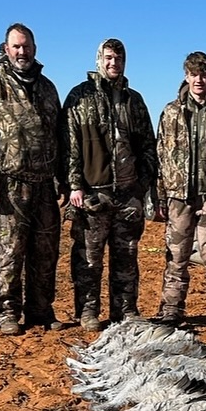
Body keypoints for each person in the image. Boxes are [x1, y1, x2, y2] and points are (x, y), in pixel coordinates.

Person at [0, 23, 64, 335]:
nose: (22, 52)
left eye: (26, 46)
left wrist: (63, 178)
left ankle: (40, 310)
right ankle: (7, 311)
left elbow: (60, 137)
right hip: (8, 183)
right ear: (6, 49)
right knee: (8, 251)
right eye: (16, 46)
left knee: (45, 251)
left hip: (44, 184)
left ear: (35, 48)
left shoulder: (48, 88)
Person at [61, 38, 157, 331]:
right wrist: (75, 185)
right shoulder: (80, 96)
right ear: (98, 60)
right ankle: (88, 311)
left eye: (119, 58)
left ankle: (125, 310)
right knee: (88, 259)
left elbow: (148, 146)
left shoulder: (134, 100)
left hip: (128, 195)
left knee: (126, 257)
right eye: (108, 58)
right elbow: (70, 145)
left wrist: (142, 184)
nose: (113, 63)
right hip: (93, 194)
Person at [154, 51, 206, 334]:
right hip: (179, 196)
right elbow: (161, 154)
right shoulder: (171, 112)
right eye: (193, 74)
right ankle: (172, 310)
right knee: (176, 257)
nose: (198, 80)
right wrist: (161, 194)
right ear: (185, 76)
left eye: (203, 74)